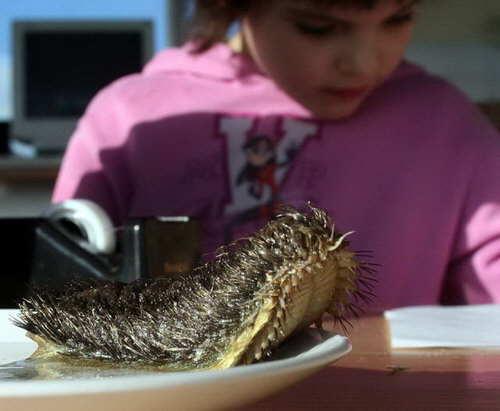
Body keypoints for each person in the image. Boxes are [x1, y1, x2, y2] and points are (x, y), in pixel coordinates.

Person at [52, 0, 500, 313]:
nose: (363, 63)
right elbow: (60, 292)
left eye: (398, 18)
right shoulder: (130, 115)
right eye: (318, 27)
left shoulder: (443, 122)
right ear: (236, 4)